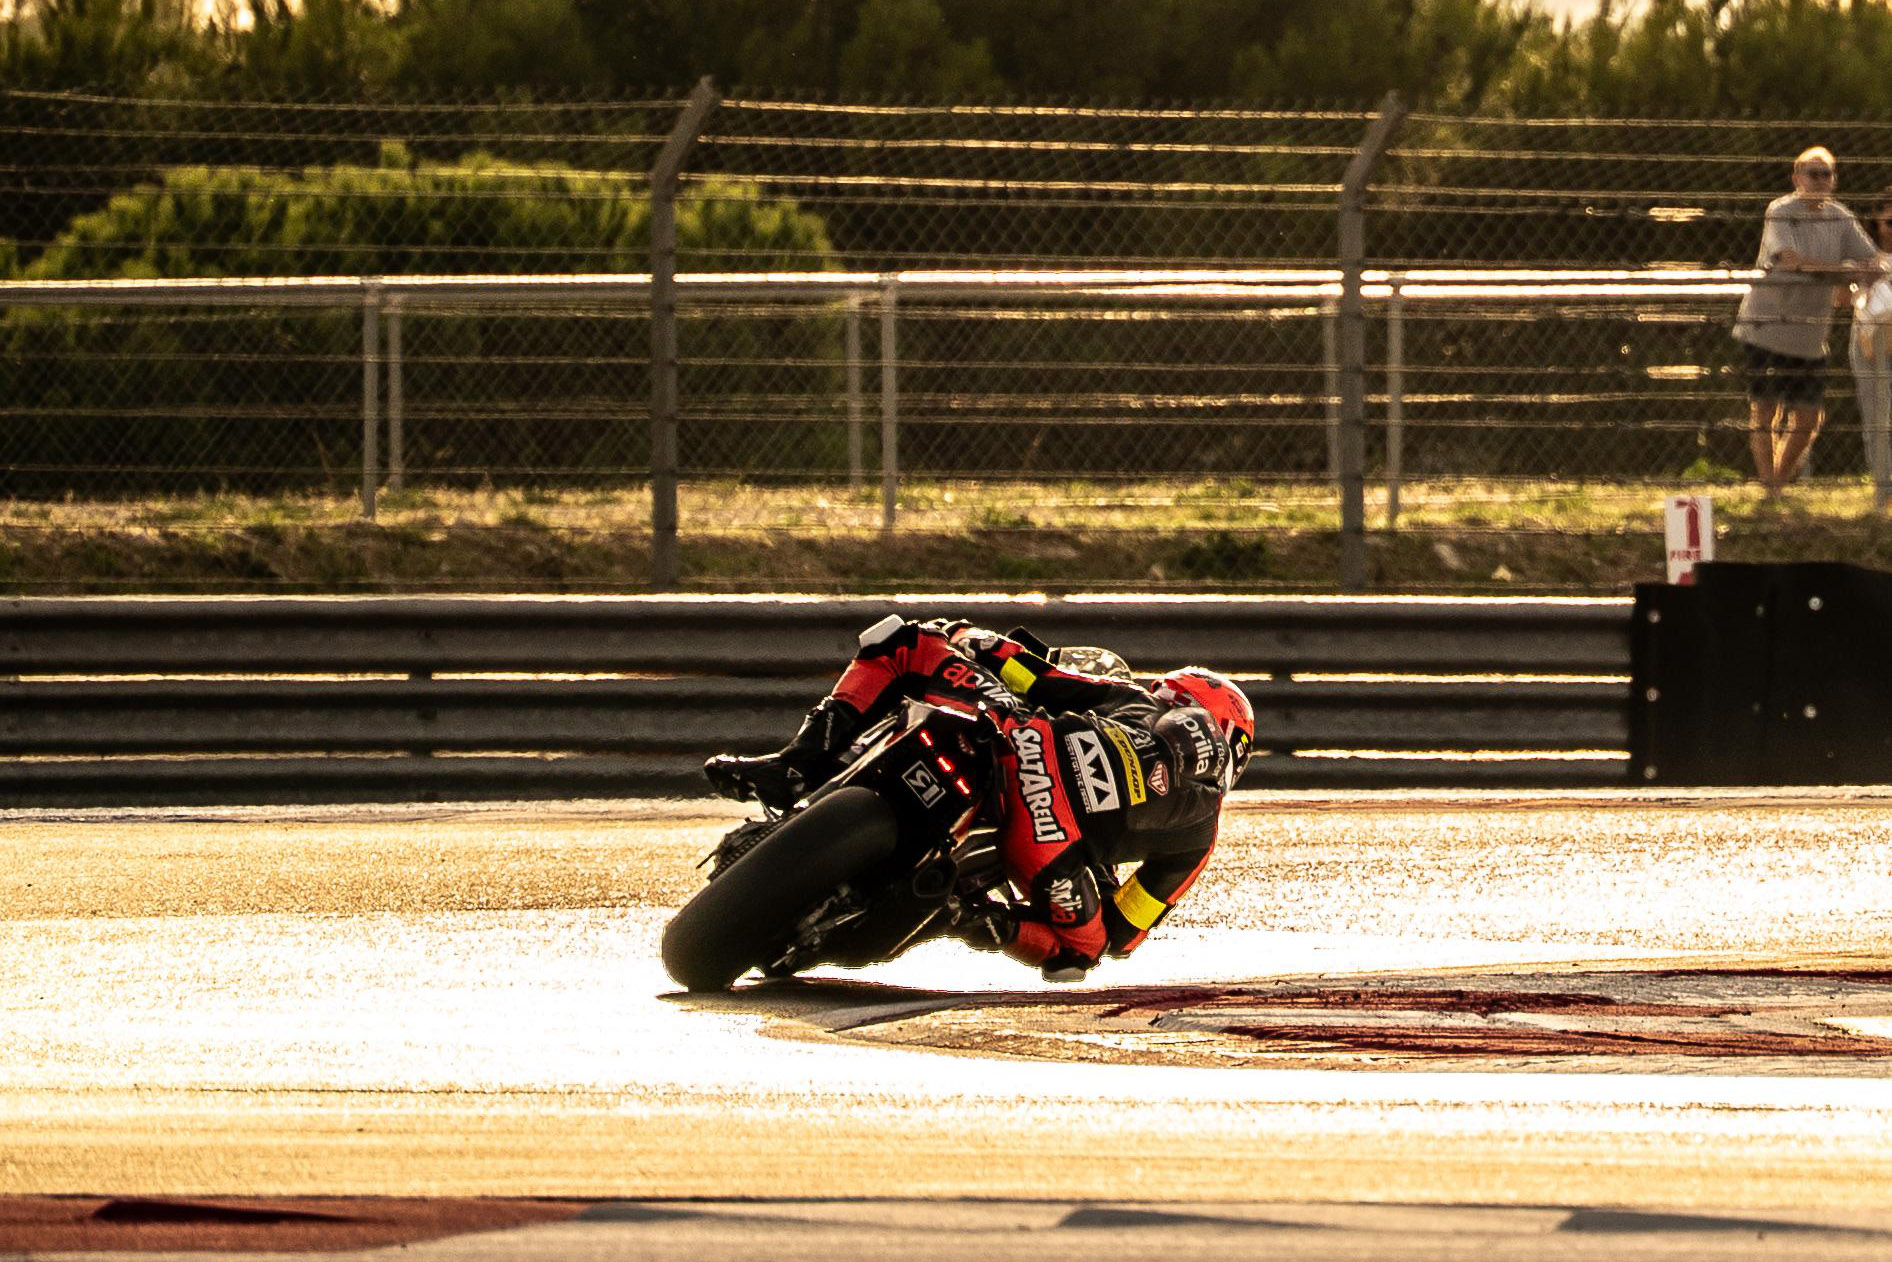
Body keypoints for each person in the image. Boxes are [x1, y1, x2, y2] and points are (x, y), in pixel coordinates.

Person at [703, 616, 1254, 982]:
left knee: (900, 641)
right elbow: (1123, 934)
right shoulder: (1199, 837)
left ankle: (798, 767)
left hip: (1019, 741)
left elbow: (1034, 676)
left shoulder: (1132, 698)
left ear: (1178, 697)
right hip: (1047, 846)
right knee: (1084, 949)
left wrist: (969, 636)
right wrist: (1078, 882)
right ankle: (971, 919)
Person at [1731, 146, 1883, 496]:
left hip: (1811, 335)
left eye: (1826, 174)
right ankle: (1769, 486)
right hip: (1767, 326)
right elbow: (1790, 261)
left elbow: (1872, 261)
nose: (1820, 180)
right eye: (1812, 174)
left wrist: (1856, 271)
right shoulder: (1781, 211)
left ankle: (1777, 482)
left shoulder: (1841, 217)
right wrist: (1844, 272)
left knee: (1809, 417)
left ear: (1834, 180)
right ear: (1797, 178)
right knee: (1765, 411)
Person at [1849, 188, 1892, 511]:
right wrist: (1862, 277)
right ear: (1877, 221)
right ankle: (1884, 493)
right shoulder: (1865, 254)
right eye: (1890, 222)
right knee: (1877, 419)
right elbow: (1848, 298)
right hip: (1869, 339)